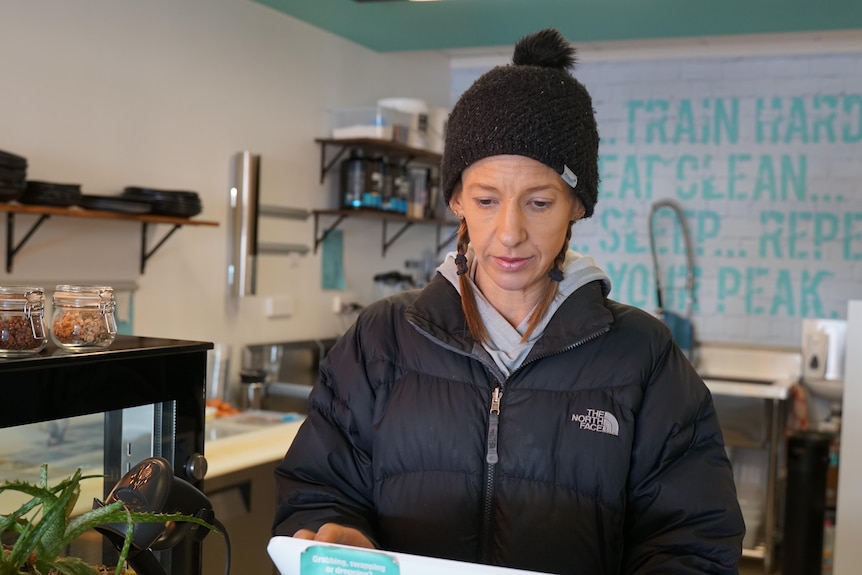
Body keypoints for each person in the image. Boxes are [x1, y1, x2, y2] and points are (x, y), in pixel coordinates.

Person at [273, 28, 744, 574]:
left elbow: (694, 542)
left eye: (540, 202)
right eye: (487, 199)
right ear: (455, 200)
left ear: (577, 207)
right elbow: (314, 489)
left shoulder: (643, 356)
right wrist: (340, 535)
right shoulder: (380, 340)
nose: (510, 232)